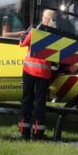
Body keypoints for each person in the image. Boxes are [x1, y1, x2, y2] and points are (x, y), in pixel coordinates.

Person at [18, 9, 58, 140]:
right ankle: (38, 132)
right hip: (44, 72)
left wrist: (27, 32)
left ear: (44, 18)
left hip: (29, 70)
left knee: (27, 100)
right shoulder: (55, 35)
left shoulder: (35, 31)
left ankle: (24, 132)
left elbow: (22, 43)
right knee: (40, 102)